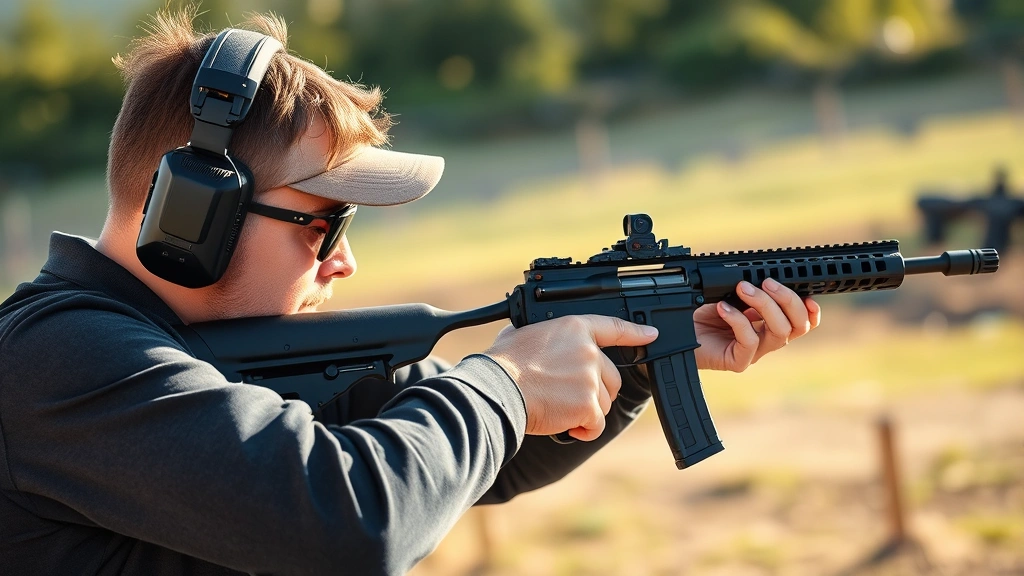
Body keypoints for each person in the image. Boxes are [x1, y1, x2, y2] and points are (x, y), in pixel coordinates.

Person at [0, 9, 821, 576]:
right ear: (192, 215)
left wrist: (635, 354)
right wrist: (504, 382)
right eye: (324, 223)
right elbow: (350, 521)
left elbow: (466, 464)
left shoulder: (191, 357)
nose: (343, 261)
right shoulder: (55, 356)